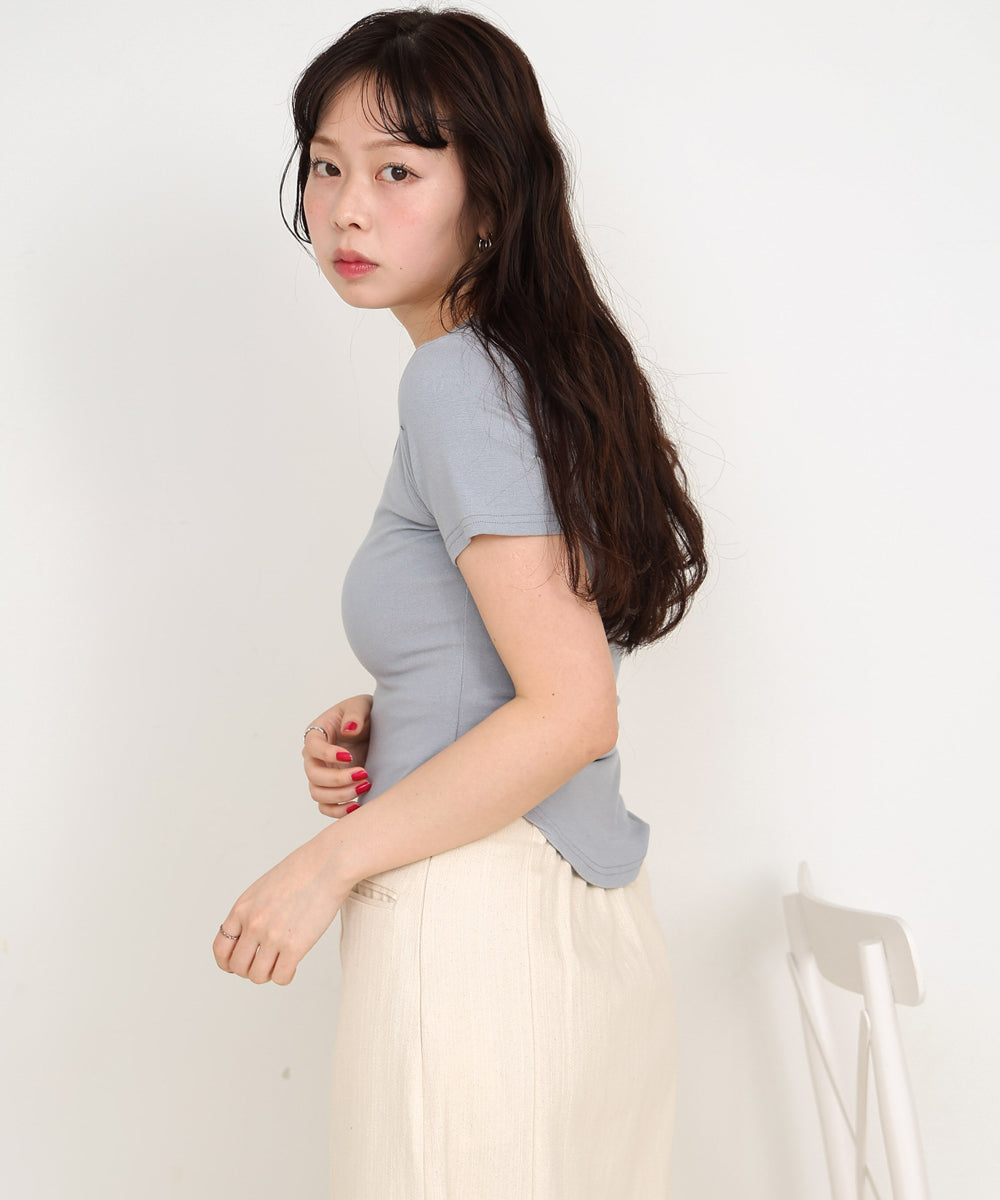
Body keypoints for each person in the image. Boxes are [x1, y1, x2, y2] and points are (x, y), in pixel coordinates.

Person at [213, 8, 707, 1197]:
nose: (346, 209)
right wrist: (404, 713)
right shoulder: (530, 373)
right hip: (573, 919)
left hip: (474, 930)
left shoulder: (455, 384)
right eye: (326, 167)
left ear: (489, 197)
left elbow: (571, 710)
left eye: (397, 171)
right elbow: (539, 664)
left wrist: (321, 867)